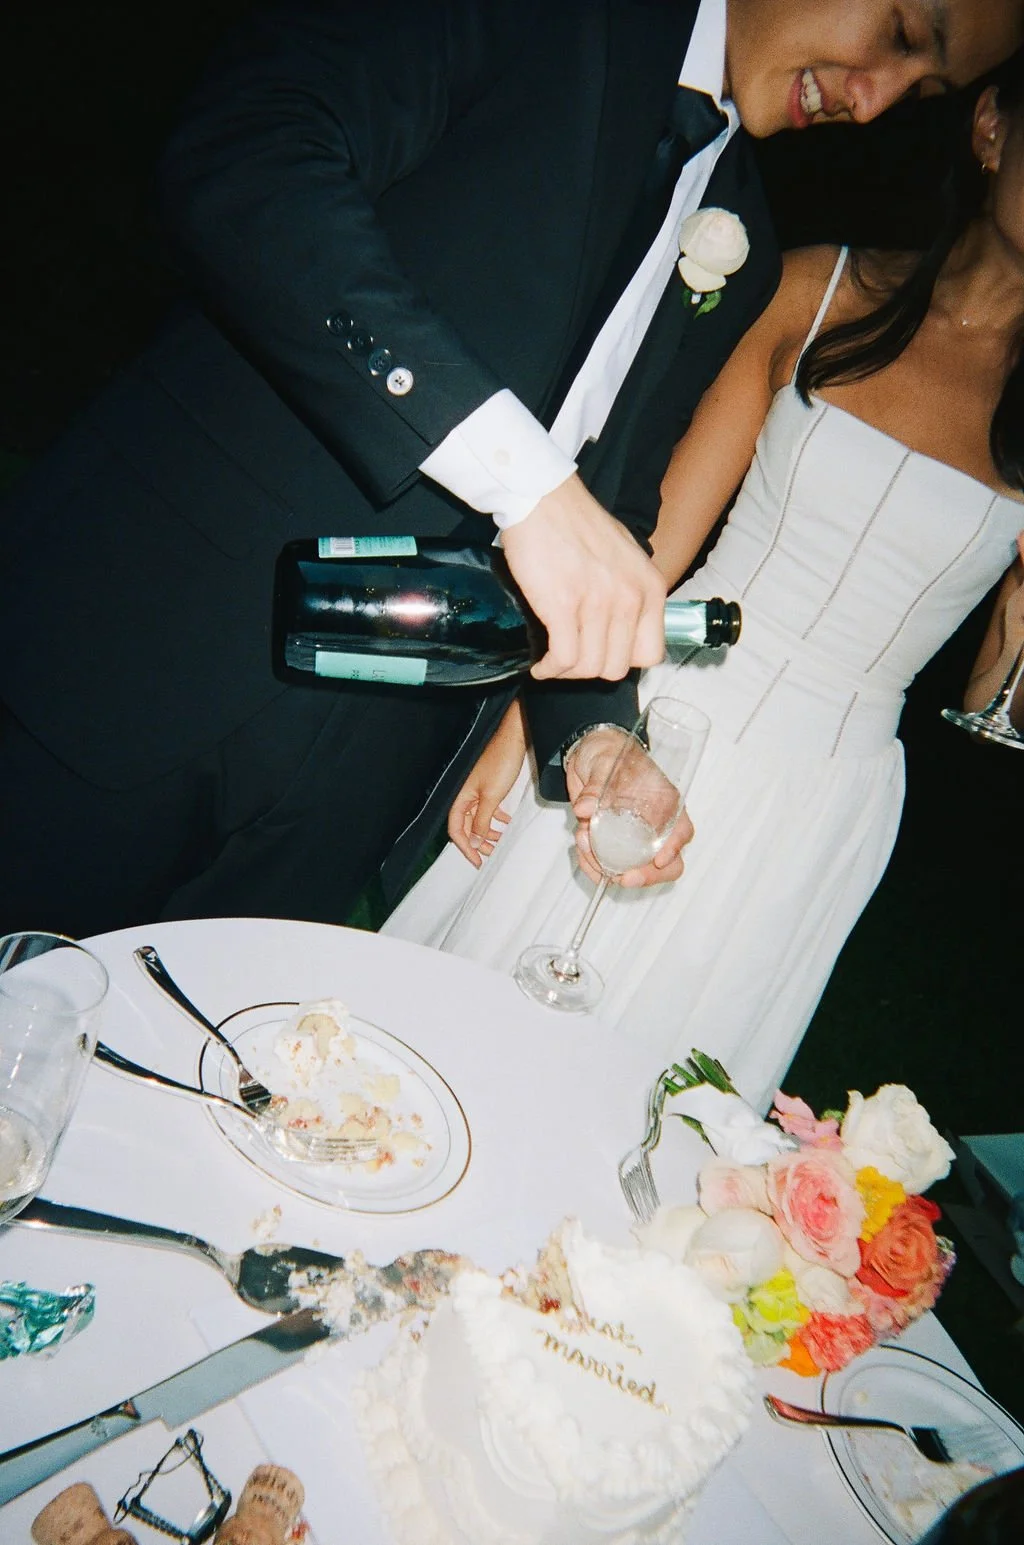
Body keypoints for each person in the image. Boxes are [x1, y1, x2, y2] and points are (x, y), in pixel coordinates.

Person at [1, 0, 1020, 940]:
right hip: (152, 644)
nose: (873, 100)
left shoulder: (743, 238)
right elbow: (252, 152)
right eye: (900, 35)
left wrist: (592, 734)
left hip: (359, 780)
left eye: (921, 90)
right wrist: (519, 478)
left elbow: (610, 501)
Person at [384, 58, 1024, 1110]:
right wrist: (528, 725)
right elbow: (655, 540)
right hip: (667, 698)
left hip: (827, 789)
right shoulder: (816, 288)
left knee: (655, 1092)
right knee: (478, 1018)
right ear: (993, 126)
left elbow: (992, 704)